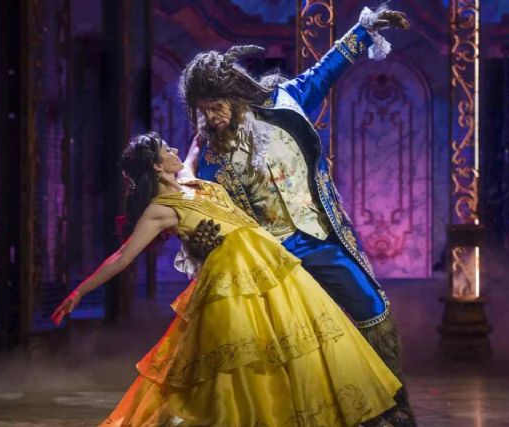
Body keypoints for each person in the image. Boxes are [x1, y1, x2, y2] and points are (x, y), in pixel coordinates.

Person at [52, 132, 403, 427]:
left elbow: (191, 155)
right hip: (231, 284)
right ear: (157, 167)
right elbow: (123, 256)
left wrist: (200, 137)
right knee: (238, 364)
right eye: (166, 150)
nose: (174, 151)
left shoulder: (190, 180)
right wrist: (80, 291)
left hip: (269, 268)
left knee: (293, 345)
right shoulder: (160, 209)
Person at [179, 5, 415, 426]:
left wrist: (365, 30)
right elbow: (205, 211)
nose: (209, 118)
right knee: (290, 343)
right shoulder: (210, 158)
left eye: (215, 106)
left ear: (234, 96)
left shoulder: (285, 103)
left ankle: (389, 407)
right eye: (202, 110)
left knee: (373, 308)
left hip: (320, 237)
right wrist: (200, 239)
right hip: (271, 259)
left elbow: (326, 69)